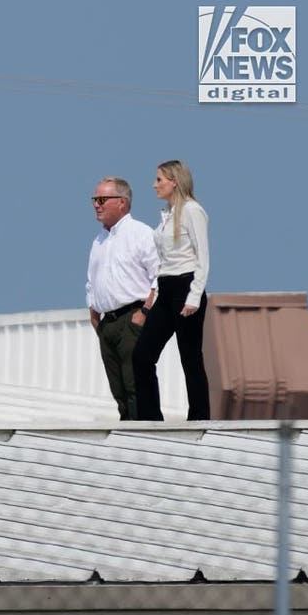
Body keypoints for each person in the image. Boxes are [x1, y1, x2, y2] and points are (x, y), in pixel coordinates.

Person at [134, 160, 211, 420]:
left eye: (159, 180)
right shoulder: (167, 215)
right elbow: (162, 261)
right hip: (166, 289)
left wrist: (194, 296)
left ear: (174, 181)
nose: (154, 185)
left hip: (185, 287)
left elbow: (203, 257)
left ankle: (199, 418)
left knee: (190, 357)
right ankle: (149, 419)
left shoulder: (192, 210)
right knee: (142, 354)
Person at [85, 177, 159, 420]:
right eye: (95, 200)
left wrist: (145, 313)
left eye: (102, 199)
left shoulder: (140, 233)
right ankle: (128, 436)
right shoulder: (98, 241)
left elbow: (159, 276)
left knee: (135, 385)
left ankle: (146, 437)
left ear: (122, 202)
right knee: (118, 389)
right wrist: (94, 314)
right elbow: (91, 280)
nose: (96, 205)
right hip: (108, 324)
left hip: (132, 318)